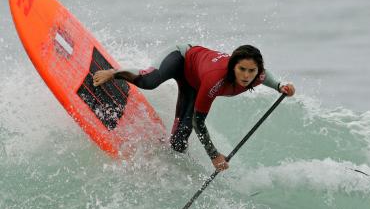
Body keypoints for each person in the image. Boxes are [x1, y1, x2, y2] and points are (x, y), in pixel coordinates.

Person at [92, 44, 295, 171]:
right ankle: (114, 72)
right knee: (149, 81)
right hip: (181, 57)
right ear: (233, 66)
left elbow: (265, 75)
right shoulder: (216, 80)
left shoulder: (256, 75)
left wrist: (279, 86)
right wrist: (214, 155)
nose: (246, 76)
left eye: (251, 71)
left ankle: (160, 152)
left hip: (193, 82)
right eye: (241, 69)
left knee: (179, 143)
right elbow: (199, 121)